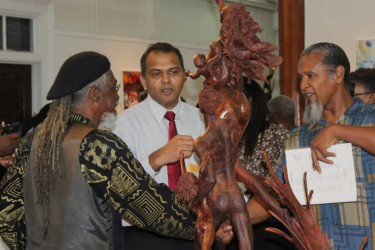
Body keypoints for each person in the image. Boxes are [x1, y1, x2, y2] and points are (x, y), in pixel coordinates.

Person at [0, 51, 198, 250]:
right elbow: (155, 213)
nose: (117, 97)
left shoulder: (33, 141)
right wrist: (205, 224)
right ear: (95, 94)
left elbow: (6, 217)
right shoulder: (98, 146)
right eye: (114, 88)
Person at [249, 42, 375, 249]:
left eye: (311, 76)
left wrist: (337, 131)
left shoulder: (369, 117)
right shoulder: (298, 138)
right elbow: (274, 194)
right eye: (301, 78)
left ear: (338, 74)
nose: (303, 85)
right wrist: (234, 220)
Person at [113, 42, 206, 250]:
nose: (166, 80)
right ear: (144, 81)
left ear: (184, 76)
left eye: (173, 72)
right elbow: (117, 185)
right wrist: (157, 159)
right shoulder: (125, 123)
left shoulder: (202, 120)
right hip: (144, 235)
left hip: (196, 230)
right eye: (156, 74)